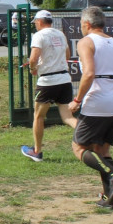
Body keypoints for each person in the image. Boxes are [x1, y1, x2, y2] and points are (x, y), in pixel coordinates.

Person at [70, 6, 113, 210]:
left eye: (81, 24)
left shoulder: (86, 42)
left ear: (87, 24)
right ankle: (110, 196)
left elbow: (89, 74)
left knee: (79, 147)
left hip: (97, 101)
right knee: (101, 149)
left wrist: (77, 99)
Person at [20, 9, 78, 161]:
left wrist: (33, 68)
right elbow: (67, 55)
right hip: (64, 79)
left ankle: (37, 151)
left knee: (39, 116)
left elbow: (33, 58)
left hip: (47, 81)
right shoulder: (60, 34)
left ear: (39, 22)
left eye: (35, 23)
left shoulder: (39, 35)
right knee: (67, 116)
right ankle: (89, 136)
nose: (35, 26)